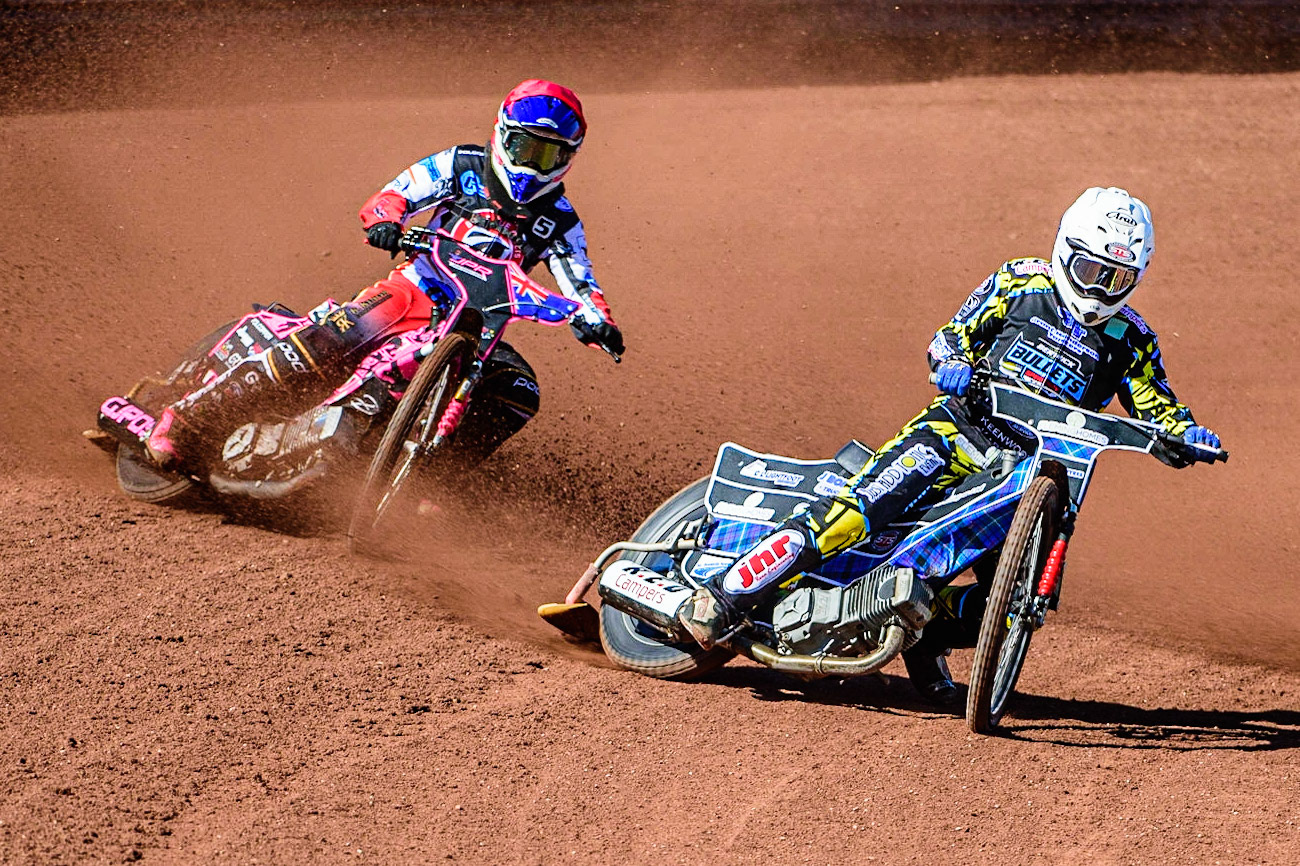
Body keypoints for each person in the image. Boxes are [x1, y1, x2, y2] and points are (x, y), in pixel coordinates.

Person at [676, 186, 1221, 704]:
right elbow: (953, 335)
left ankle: (922, 632)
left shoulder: (1133, 339)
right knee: (858, 512)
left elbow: (1159, 406)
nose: (1101, 288)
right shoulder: (1021, 282)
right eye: (1091, 270)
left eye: (1118, 277)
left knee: (1007, 604)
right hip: (955, 431)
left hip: (1033, 474)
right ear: (1065, 250)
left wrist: (1185, 437)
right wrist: (953, 363)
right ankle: (727, 595)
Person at [147, 79, 623, 468]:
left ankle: (435, 483)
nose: (532, 164)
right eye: (525, 147)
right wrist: (386, 222)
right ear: (502, 134)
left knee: (520, 391)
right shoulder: (461, 164)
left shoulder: (560, 220)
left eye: (548, 155)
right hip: (415, 289)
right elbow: (397, 193)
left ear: (567, 159)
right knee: (332, 338)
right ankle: (188, 419)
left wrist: (598, 322)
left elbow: (581, 282)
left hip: (478, 325)